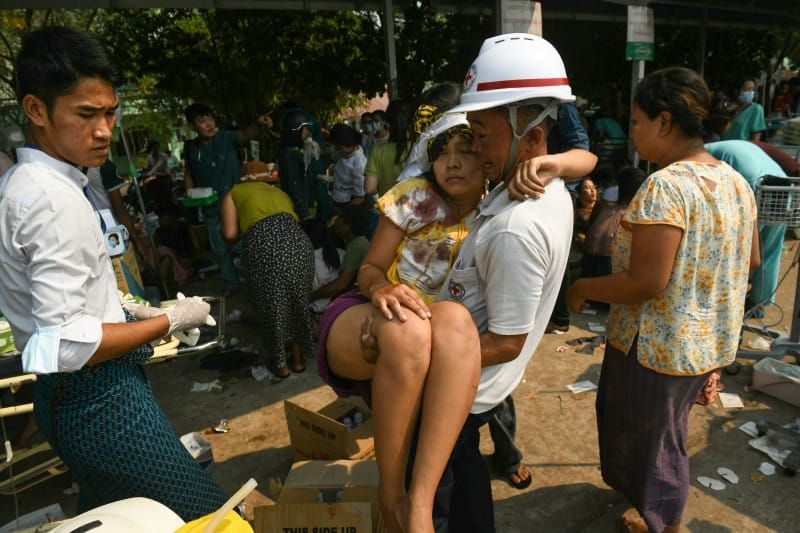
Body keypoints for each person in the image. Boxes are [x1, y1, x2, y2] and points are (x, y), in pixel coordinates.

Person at [0, 26, 227, 520]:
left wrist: (122, 309)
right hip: (100, 402)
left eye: (110, 113)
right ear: (36, 110)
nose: (105, 130)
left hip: (75, 397)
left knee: (120, 517)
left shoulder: (39, 183)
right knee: (206, 519)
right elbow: (66, 344)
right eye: (86, 115)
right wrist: (170, 320)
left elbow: (62, 299)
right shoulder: (50, 199)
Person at [567, 67, 760, 533]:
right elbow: (751, 260)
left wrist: (582, 287)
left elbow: (646, 281)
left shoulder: (665, 186)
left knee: (656, 445)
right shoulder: (735, 181)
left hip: (659, 348)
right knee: (666, 435)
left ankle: (665, 524)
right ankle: (653, 510)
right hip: (705, 344)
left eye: (637, 121)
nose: (632, 132)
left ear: (665, 121)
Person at [426, 33, 595, 532]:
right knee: (465, 480)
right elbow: (580, 159)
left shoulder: (514, 228)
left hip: (461, 392)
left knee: (444, 496)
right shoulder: (543, 185)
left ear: (532, 135)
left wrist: (412, 354)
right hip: (468, 390)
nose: (474, 148)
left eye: (482, 134)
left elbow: (506, 341)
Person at [318, 114, 484, 533]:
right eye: (442, 154)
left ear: (489, 157)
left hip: (433, 335)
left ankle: (418, 504)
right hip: (370, 311)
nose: (452, 163)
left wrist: (552, 164)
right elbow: (369, 268)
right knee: (409, 328)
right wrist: (380, 290)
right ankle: (392, 499)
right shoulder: (413, 197)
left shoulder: (496, 207)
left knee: (451, 323)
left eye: (465, 151)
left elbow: (579, 160)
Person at [221, 160, 314, 377]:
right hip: (299, 244)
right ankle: (298, 361)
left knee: (271, 306)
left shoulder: (234, 192)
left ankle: (281, 365)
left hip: (265, 246)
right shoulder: (280, 193)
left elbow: (229, 234)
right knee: (297, 303)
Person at [182, 102, 273, 292]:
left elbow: (246, 135)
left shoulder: (226, 138)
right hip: (210, 204)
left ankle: (259, 281)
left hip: (234, 202)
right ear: (192, 126)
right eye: (201, 121)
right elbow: (189, 172)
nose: (208, 123)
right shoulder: (191, 148)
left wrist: (258, 123)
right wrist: (189, 194)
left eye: (210, 118)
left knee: (241, 244)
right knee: (219, 248)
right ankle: (231, 284)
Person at [705, 139, 787, 310]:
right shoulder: (732, 147)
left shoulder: (702, 153)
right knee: (770, 249)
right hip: (784, 187)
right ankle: (760, 302)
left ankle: (729, 300)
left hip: (757, 186)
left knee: (740, 250)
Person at [309, 203, 371, 303]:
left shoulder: (356, 246)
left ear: (348, 225)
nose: (336, 221)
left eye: (340, 217)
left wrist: (310, 297)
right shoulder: (357, 242)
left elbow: (341, 284)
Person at [364, 100, 411, 197]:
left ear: (387, 123)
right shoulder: (419, 147)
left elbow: (369, 189)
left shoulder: (377, 151)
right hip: (417, 204)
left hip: (388, 204)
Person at [329, 123, 367, 209]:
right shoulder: (343, 152)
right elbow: (334, 157)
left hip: (348, 202)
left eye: (339, 148)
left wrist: (345, 212)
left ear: (351, 144)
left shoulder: (359, 163)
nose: (337, 150)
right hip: (336, 196)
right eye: (336, 147)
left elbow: (360, 197)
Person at [722, 77, 766, 141]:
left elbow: (756, 138)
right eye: (747, 89)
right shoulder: (732, 108)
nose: (750, 92)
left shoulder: (756, 109)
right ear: (736, 91)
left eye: (752, 89)